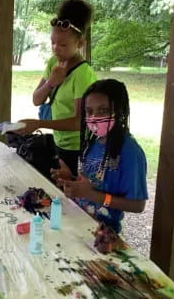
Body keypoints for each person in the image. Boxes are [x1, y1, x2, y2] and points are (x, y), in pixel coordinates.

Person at [51, 79, 148, 233]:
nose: (94, 117)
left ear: (120, 110)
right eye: (89, 111)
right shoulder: (93, 143)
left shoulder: (130, 152)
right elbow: (91, 183)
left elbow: (137, 205)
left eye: (103, 110)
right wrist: (71, 179)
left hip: (104, 232)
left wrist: (93, 195)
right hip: (80, 221)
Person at [16, 0, 97, 175]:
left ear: (80, 43)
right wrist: (51, 83)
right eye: (52, 42)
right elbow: (36, 99)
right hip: (58, 142)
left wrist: (39, 123)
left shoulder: (83, 74)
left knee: (71, 194)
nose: (56, 48)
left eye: (63, 44)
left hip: (77, 148)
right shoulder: (54, 62)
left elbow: (79, 122)